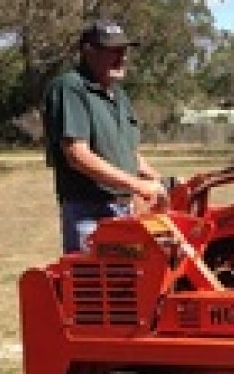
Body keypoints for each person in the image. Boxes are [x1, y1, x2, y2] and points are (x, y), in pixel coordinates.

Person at [43, 20, 166, 253]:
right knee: (94, 285)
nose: (122, 58)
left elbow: (128, 151)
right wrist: (137, 185)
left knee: (130, 284)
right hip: (89, 213)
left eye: (124, 51)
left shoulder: (118, 95)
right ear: (88, 51)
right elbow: (77, 155)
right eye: (113, 51)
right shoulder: (70, 88)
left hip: (123, 210)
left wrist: (157, 179)